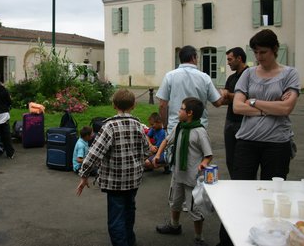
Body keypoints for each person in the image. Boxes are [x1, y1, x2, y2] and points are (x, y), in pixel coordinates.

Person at [76, 89, 150, 246]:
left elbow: (93, 154)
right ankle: (130, 241)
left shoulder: (109, 127)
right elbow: (147, 150)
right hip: (133, 180)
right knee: (129, 211)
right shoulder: (138, 125)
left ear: (113, 105)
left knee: (116, 218)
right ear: (134, 105)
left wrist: (84, 175)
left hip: (114, 182)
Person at [232, 29, 300, 181]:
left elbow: (286, 108)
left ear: (275, 49)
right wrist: (271, 108)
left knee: (273, 191)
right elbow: (237, 107)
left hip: (277, 142)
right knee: (242, 188)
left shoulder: (290, 74)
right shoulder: (248, 74)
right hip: (247, 140)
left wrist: (254, 102)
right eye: (255, 52)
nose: (258, 57)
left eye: (263, 52)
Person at [153, 97, 213, 246]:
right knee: (175, 201)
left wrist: (204, 164)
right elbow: (167, 140)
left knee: (194, 208)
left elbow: (208, 154)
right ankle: (174, 225)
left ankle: (199, 237)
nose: (179, 111)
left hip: (192, 178)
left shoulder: (200, 131)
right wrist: (158, 154)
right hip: (178, 174)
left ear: (190, 113)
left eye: (181, 108)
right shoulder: (179, 126)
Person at [216, 48, 248, 246]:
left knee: (241, 162)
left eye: (230, 59)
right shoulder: (231, 77)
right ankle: (237, 183)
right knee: (231, 160)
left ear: (239, 58)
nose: (227, 62)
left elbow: (238, 99)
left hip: (243, 123)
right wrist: (230, 96)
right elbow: (225, 99)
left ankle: (240, 191)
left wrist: (231, 95)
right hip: (230, 121)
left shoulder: (248, 75)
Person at [156, 45, 223, 134]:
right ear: (193, 57)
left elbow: (162, 105)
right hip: (198, 128)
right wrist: (223, 94)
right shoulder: (204, 77)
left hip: (176, 127)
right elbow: (217, 103)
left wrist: (165, 124)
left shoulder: (170, 76)